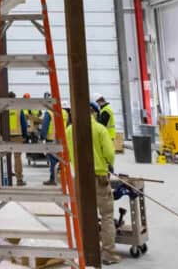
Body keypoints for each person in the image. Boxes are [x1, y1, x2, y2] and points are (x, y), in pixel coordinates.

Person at [66, 102, 119, 265]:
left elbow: (67, 155)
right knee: (107, 216)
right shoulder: (100, 129)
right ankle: (108, 254)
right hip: (99, 178)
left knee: (82, 215)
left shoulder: (69, 131)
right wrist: (107, 163)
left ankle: (83, 250)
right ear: (94, 113)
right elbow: (110, 154)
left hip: (80, 179)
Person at [6, 92, 26, 186]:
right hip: (17, 136)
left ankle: (6, 178)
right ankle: (19, 179)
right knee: (17, 158)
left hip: (6, 137)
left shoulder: (4, 108)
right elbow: (24, 124)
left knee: (6, 157)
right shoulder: (19, 109)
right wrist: (25, 135)